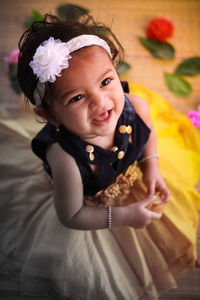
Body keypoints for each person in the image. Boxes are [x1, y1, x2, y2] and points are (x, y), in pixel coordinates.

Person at [0, 12, 199, 300]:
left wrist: (151, 166)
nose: (100, 102)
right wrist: (124, 215)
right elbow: (71, 215)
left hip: (133, 176)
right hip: (96, 209)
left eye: (106, 81)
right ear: (49, 115)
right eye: (77, 98)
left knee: (168, 227)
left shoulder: (135, 106)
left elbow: (149, 133)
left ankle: (175, 254)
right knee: (114, 269)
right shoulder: (66, 158)